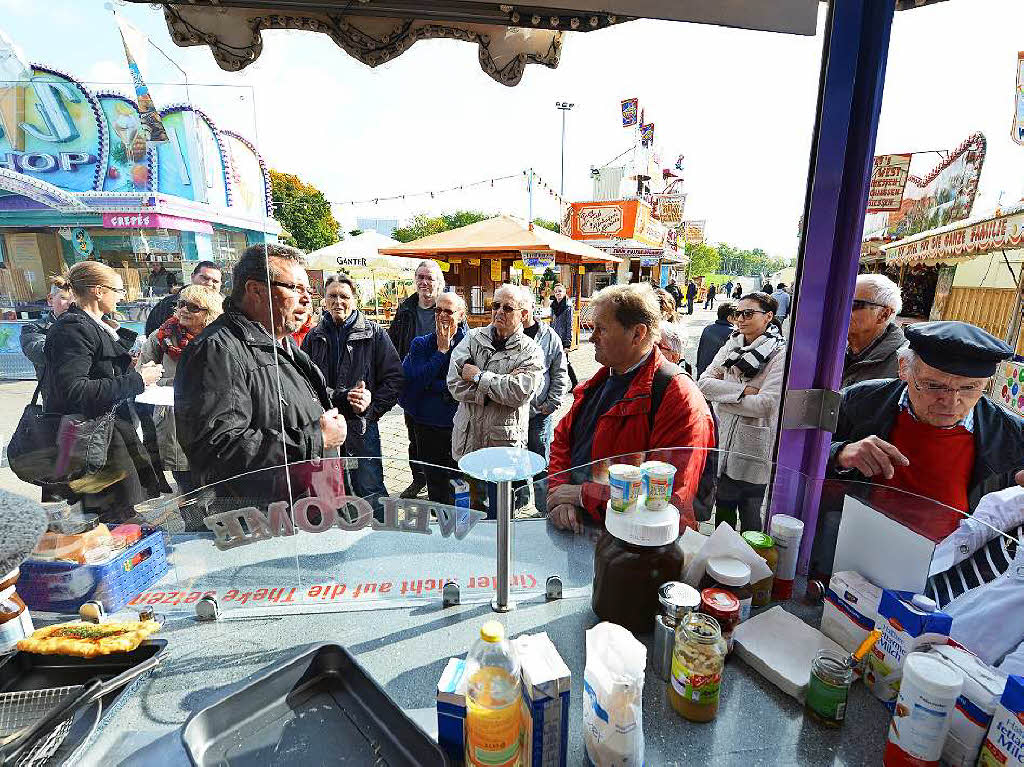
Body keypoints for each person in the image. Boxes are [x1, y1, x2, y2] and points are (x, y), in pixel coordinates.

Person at [176, 244, 346, 503]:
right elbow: (218, 448)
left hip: (307, 507)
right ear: (256, 290)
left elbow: (285, 405)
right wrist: (316, 437)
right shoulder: (217, 351)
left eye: (308, 290)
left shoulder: (279, 341)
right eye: (296, 288)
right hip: (267, 525)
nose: (307, 299)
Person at [827, 321, 1024, 541]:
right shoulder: (858, 401)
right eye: (934, 385)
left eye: (970, 388)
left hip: (950, 565)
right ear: (904, 368)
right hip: (851, 541)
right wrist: (839, 454)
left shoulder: (1013, 435)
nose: (951, 401)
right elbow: (797, 453)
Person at [546, 283, 716, 534]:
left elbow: (668, 498)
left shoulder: (677, 396)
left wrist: (583, 495)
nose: (591, 338)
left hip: (635, 549)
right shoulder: (602, 380)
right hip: (583, 530)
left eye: (601, 329)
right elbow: (563, 440)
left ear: (638, 333)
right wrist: (559, 495)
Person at [43, 261, 164, 522]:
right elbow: (74, 389)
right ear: (98, 291)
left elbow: (95, 373)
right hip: (86, 444)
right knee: (112, 524)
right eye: (118, 290)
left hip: (103, 438)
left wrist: (128, 370)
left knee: (122, 520)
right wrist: (137, 380)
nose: (122, 297)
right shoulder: (73, 329)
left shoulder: (95, 325)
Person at [301, 273, 403, 509]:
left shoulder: (374, 333)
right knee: (325, 493)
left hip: (361, 428)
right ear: (324, 300)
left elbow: (395, 378)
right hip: (324, 427)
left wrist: (372, 409)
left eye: (344, 296)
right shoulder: (313, 337)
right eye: (332, 296)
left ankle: (375, 541)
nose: (338, 301)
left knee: (370, 491)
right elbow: (304, 382)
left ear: (354, 299)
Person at [447, 284, 545, 511]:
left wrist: (478, 376)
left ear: (524, 314)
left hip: (503, 447)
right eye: (496, 305)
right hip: (468, 441)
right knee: (467, 512)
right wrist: (495, 391)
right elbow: (453, 384)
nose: (499, 311)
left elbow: (519, 393)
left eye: (508, 308)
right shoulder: (472, 338)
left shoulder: (531, 351)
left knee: (499, 514)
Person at [698, 292, 786, 532]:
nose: (741, 319)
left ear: (768, 316)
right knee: (723, 509)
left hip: (754, 444)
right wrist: (745, 390)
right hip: (723, 439)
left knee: (751, 515)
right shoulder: (731, 344)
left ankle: (751, 562)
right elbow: (704, 383)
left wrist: (723, 398)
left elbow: (766, 403)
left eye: (749, 313)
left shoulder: (779, 353)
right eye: (738, 313)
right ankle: (720, 556)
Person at [137, 285, 223, 495]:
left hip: (214, 418)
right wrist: (151, 376)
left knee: (217, 483)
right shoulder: (162, 336)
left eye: (193, 307)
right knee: (187, 486)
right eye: (181, 304)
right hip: (174, 419)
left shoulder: (221, 339)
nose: (183, 310)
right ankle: (192, 526)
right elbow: (141, 373)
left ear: (209, 313)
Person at [389, 260, 457, 498]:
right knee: (414, 438)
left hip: (442, 391)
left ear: (440, 282)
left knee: (443, 445)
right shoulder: (406, 309)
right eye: (420, 277)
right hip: (414, 383)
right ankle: (419, 479)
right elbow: (393, 343)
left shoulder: (449, 308)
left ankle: (440, 485)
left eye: (430, 278)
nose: (424, 282)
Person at [401, 292, 468, 504]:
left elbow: (467, 386)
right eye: (438, 310)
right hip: (427, 424)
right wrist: (441, 351)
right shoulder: (421, 344)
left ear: (461, 315)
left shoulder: (470, 345)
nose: (442, 315)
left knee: (460, 480)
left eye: (448, 311)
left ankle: (461, 523)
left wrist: (435, 385)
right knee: (435, 480)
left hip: (460, 424)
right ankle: (439, 523)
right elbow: (417, 381)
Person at [522, 291, 569, 514]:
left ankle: (543, 507)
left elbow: (561, 373)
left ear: (532, 308)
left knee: (540, 461)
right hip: (511, 415)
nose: (519, 312)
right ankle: (518, 502)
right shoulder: (504, 334)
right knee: (516, 460)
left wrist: (551, 404)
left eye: (523, 307)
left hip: (539, 413)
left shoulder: (549, 336)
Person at [842, 274, 907, 387]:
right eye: (841, 302)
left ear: (883, 314)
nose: (842, 310)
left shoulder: (903, 364)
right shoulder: (834, 346)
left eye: (853, 305)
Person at [145, 261, 222, 336]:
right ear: (192, 277)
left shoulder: (226, 307)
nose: (210, 283)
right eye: (205, 278)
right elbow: (152, 334)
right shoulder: (167, 305)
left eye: (215, 281)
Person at [21, 276, 73, 382]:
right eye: (64, 298)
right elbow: (40, 354)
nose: (70, 303)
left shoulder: (88, 324)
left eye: (74, 299)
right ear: (50, 299)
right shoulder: (34, 328)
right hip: (56, 392)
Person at [696, 301, 736, 379]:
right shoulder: (732, 333)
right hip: (716, 373)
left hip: (703, 369)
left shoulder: (707, 328)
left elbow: (700, 350)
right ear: (730, 318)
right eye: (736, 315)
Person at [549, 282, 578, 388]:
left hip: (563, 339)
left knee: (565, 361)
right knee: (554, 361)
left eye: (560, 291)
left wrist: (567, 344)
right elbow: (552, 322)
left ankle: (574, 382)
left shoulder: (568, 306)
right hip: (554, 338)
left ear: (565, 292)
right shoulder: (553, 306)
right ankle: (556, 383)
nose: (558, 293)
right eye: (556, 291)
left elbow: (569, 326)